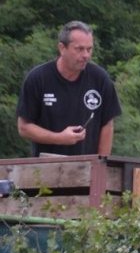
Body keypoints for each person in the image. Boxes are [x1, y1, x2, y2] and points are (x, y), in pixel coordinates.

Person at [16, 21, 122, 157]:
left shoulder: (100, 79)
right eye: (79, 49)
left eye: (89, 49)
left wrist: (101, 165)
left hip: (88, 168)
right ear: (62, 48)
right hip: (46, 168)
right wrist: (59, 138)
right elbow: (24, 127)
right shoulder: (38, 78)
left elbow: (107, 124)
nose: (86, 55)